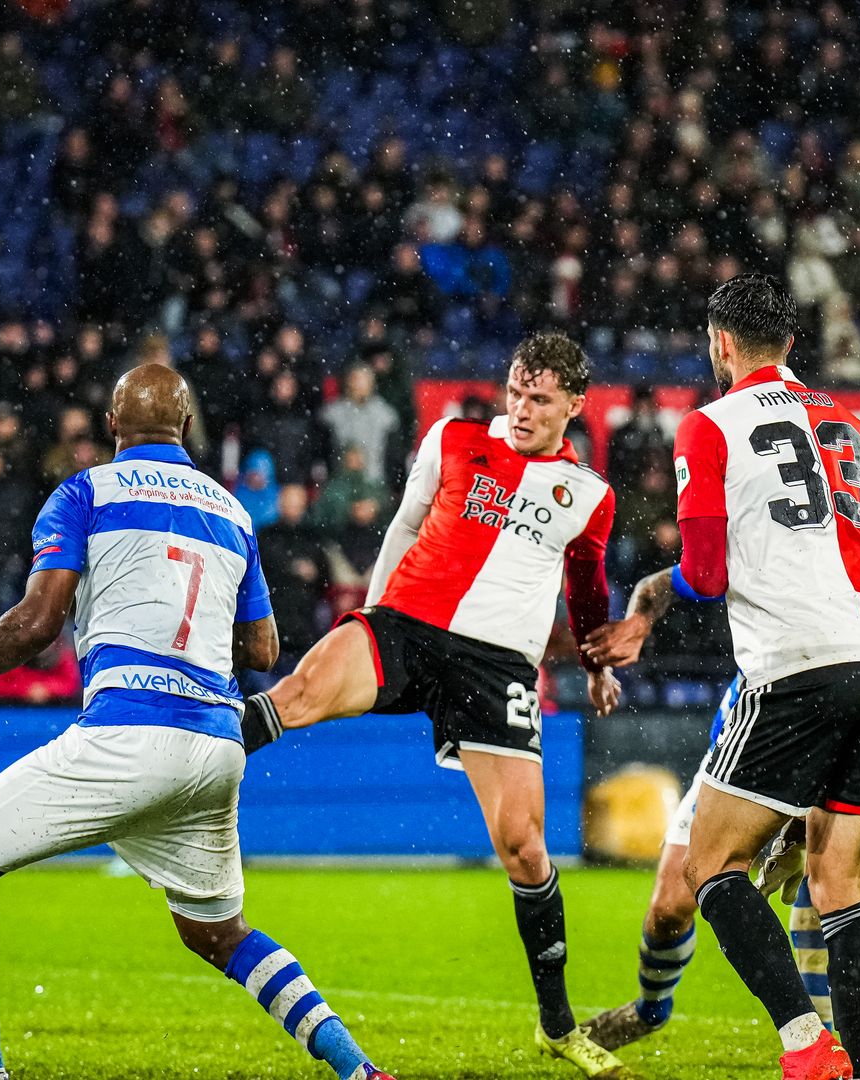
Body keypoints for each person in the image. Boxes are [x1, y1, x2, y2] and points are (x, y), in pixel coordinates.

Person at [0, 365, 392, 1080]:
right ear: (184, 427)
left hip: (126, 733)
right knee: (218, 934)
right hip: (215, 745)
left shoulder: (84, 491)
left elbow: (35, 624)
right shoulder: (232, 512)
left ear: (112, 427)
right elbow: (265, 649)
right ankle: (359, 1070)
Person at [242, 333, 625, 1078]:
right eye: (515, 390)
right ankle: (178, 775)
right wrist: (375, 615)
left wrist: (598, 660)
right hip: (408, 625)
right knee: (300, 692)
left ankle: (556, 1025)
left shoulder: (590, 497)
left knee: (525, 848)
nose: (521, 408)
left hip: (498, 665)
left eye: (539, 398)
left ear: (574, 406)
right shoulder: (452, 439)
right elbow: (406, 525)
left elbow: (586, 590)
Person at [591, 274, 860, 1080]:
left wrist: (664, 593)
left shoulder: (709, 427)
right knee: (840, 886)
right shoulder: (859, 426)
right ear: (793, 345)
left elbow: (703, 572)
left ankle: (805, 1044)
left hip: (796, 668)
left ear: (720, 345)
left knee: (711, 866)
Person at [578, 568, 860, 1053]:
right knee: (670, 907)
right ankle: (651, 1007)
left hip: (822, 752)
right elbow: (663, 582)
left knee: (829, 889)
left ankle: (823, 1042)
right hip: (745, 751)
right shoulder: (762, 555)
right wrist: (640, 620)